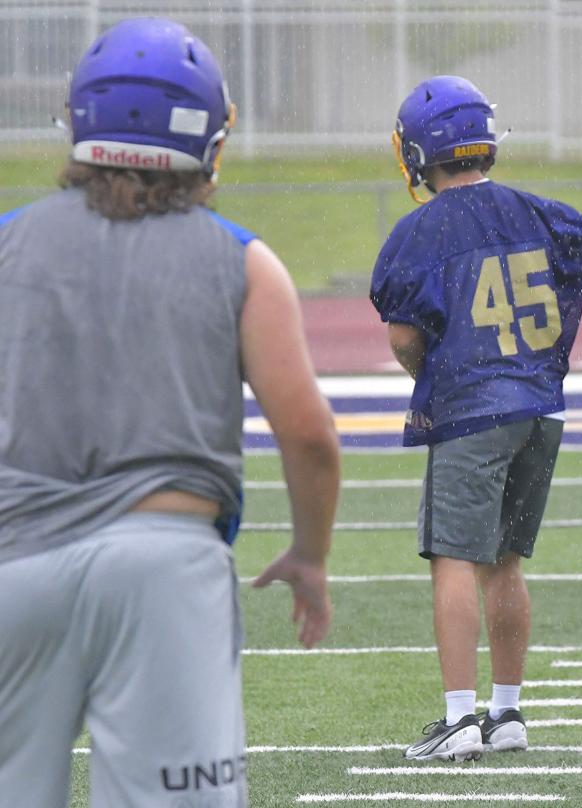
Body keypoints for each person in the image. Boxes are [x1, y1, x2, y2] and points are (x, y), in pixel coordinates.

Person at [0, 18, 340, 807]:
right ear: (207, 140)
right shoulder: (244, 260)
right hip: (163, 568)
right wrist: (309, 555)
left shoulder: (8, 246)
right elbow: (308, 433)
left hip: (16, 561)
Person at [370, 75, 582, 761]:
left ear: (417, 152)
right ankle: (507, 711)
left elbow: (403, 338)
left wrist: (433, 374)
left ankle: (459, 718)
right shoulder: (536, 210)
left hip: (473, 408)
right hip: (541, 408)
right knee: (506, 563)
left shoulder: (416, 232)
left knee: (454, 558)